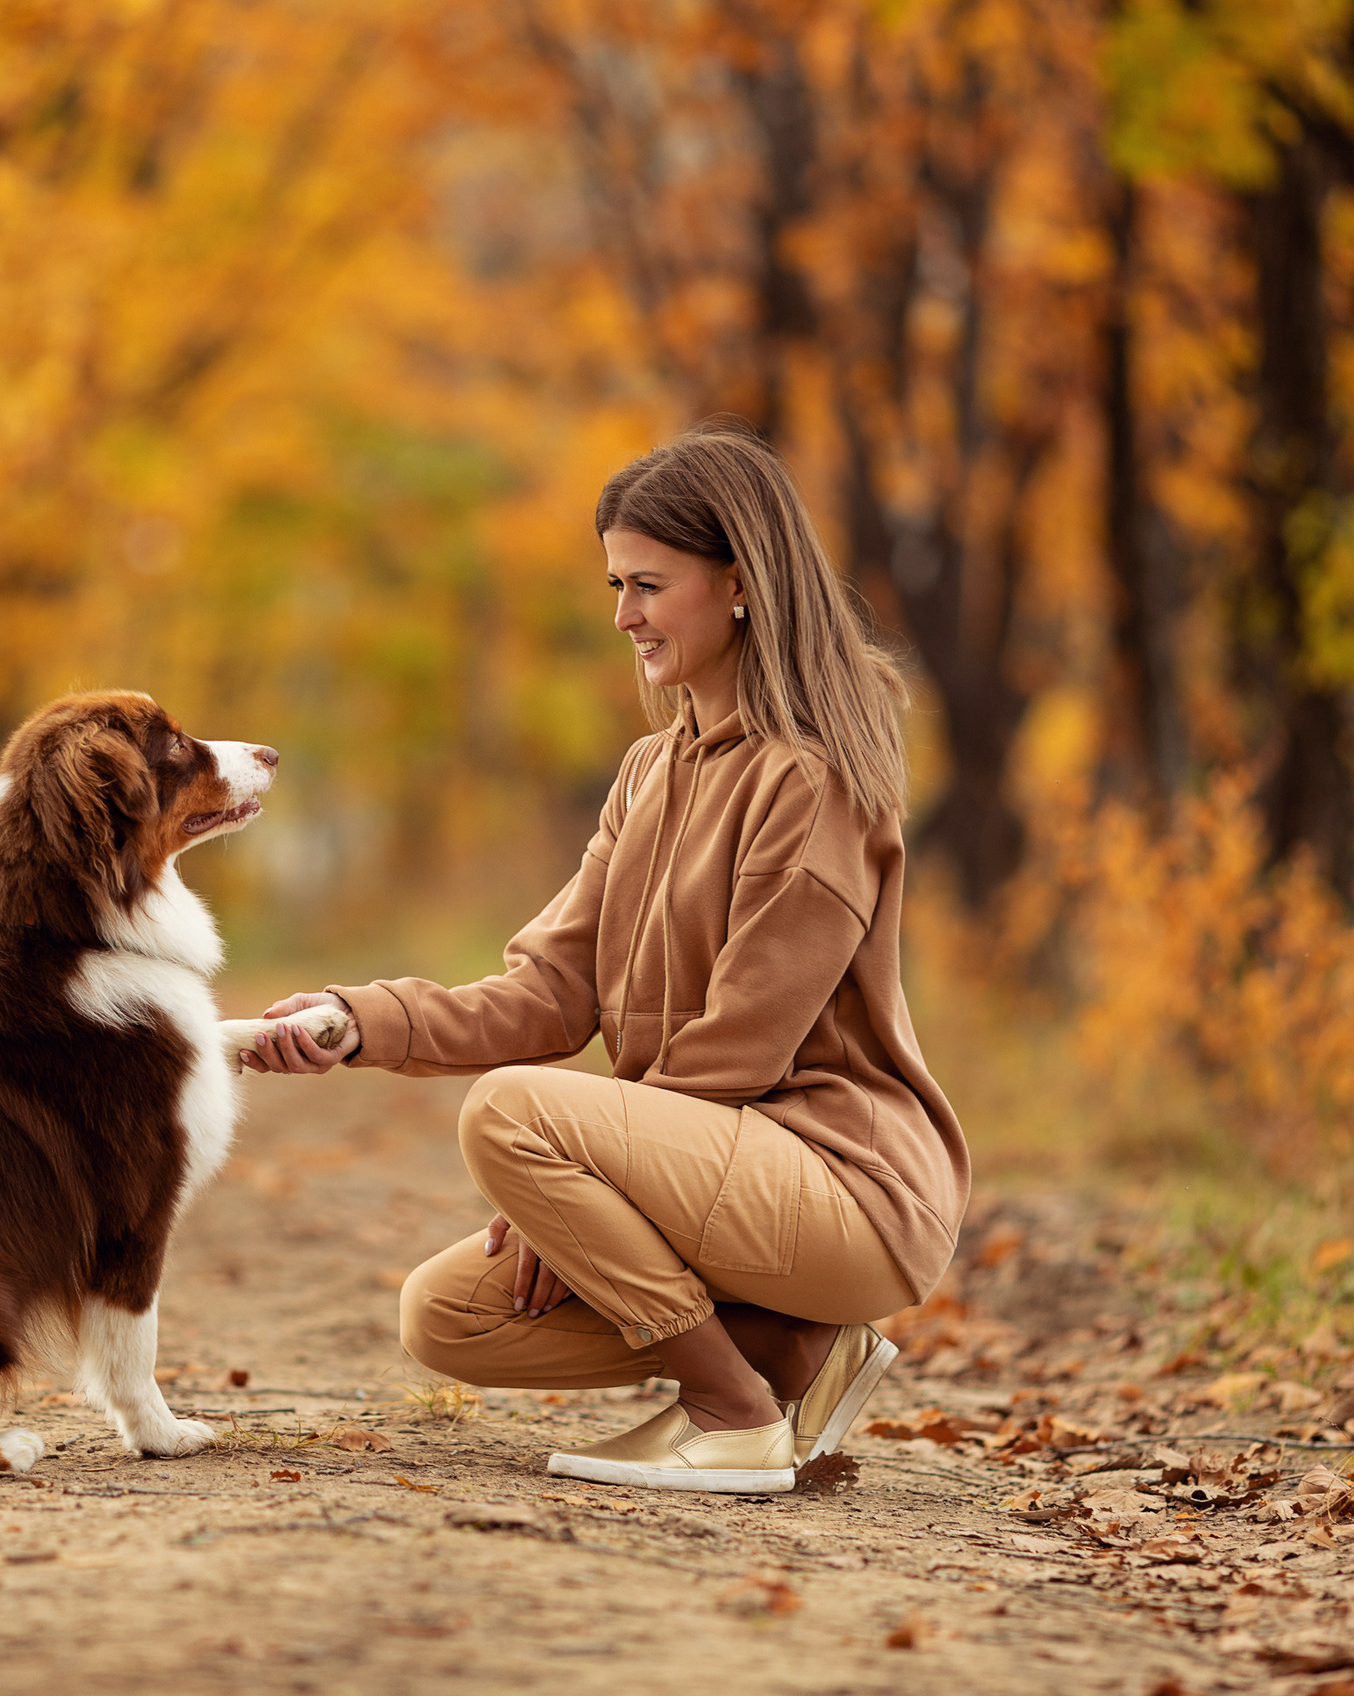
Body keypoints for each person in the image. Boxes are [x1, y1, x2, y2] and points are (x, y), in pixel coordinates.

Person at [246, 425, 969, 1495]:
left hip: (846, 1189)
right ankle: (795, 1353)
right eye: (615, 585)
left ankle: (730, 1415)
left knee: (507, 1111)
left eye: (648, 585)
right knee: (447, 1314)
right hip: (716, 1174)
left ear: (739, 583)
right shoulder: (648, 772)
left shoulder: (811, 778)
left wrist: (591, 1173)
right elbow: (550, 991)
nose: (623, 614)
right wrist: (360, 1022)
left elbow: (744, 1041)